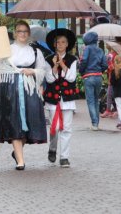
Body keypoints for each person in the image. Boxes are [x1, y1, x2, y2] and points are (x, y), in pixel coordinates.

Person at [0, 20, 47, 170]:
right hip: (10, 91)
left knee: (29, 123)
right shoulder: (7, 51)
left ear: (28, 33)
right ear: (15, 33)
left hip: (29, 90)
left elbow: (42, 71)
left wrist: (33, 71)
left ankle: (17, 153)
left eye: (25, 31)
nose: (22, 34)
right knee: (14, 123)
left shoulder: (35, 52)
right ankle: (21, 161)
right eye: (19, 31)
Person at [44, 28, 79, 168]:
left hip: (67, 99)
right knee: (55, 127)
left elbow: (71, 78)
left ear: (67, 44)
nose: (60, 44)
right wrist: (54, 66)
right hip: (53, 99)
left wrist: (63, 65)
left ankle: (64, 157)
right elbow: (49, 80)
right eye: (58, 42)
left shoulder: (72, 60)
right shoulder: (48, 59)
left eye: (63, 42)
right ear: (54, 44)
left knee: (67, 128)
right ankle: (52, 148)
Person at [79, 32, 108, 130]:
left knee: (90, 101)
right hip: (98, 76)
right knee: (96, 100)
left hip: (88, 76)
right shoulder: (100, 50)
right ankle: (96, 123)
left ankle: (94, 123)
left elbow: (83, 61)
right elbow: (105, 64)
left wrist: (81, 71)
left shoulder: (87, 49)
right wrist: (100, 71)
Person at [100, 43, 117, 118]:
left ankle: (108, 110)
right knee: (113, 94)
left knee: (110, 94)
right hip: (116, 76)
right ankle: (115, 110)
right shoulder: (117, 55)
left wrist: (109, 68)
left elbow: (106, 65)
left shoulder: (110, 55)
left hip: (112, 76)